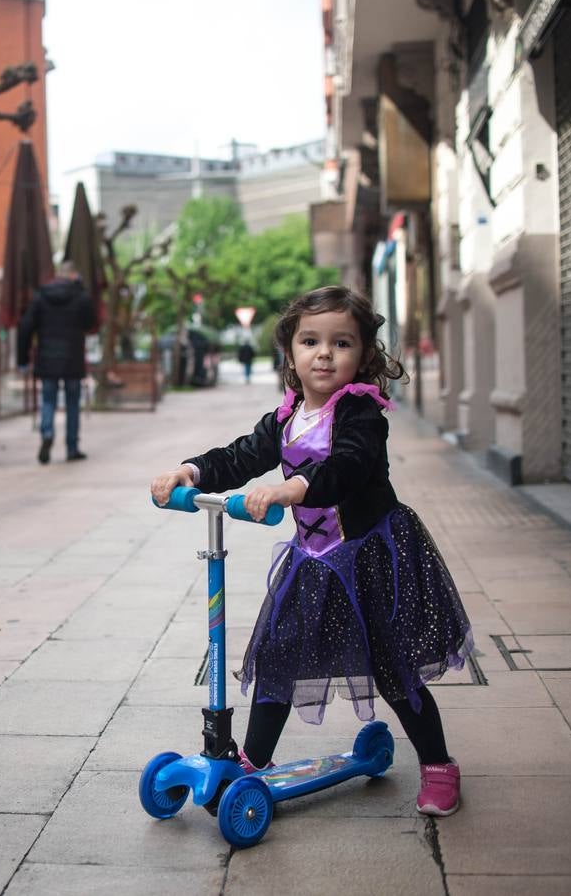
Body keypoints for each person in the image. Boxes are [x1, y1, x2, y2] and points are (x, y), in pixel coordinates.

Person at [150, 286, 473, 817]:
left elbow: (346, 466)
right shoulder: (287, 416)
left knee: (392, 666)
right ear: (291, 355)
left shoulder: (362, 413)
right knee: (278, 656)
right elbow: (240, 457)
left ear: (363, 355)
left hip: (371, 557)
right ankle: (251, 763)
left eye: (341, 343)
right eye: (311, 341)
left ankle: (438, 764)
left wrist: (290, 488)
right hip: (315, 560)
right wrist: (191, 471)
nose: (324, 353)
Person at [17, 260, 96, 464]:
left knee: (48, 400)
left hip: (47, 357)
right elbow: (90, 322)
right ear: (73, 275)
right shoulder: (80, 296)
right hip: (73, 358)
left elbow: (25, 326)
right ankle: (71, 447)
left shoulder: (41, 296)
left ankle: (47, 433)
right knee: (72, 403)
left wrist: (23, 358)